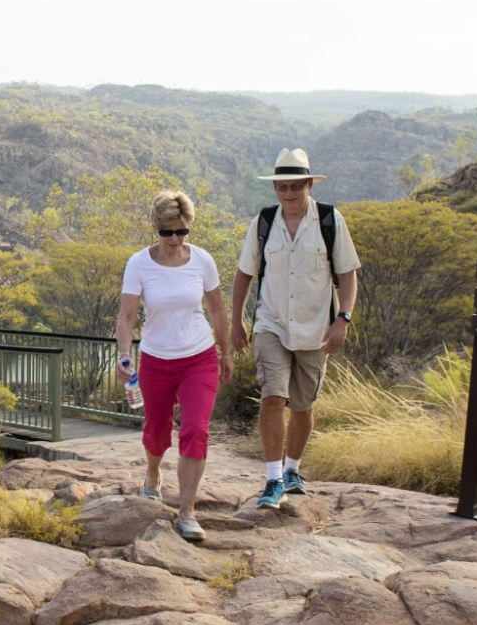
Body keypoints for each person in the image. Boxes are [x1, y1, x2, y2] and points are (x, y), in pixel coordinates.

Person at [230, 148, 360, 509]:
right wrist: (236, 321)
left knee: (303, 405)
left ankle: (292, 470)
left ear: (307, 185)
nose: (287, 195)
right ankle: (272, 479)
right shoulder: (264, 222)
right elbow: (244, 273)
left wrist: (343, 318)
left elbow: (348, 275)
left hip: (316, 328)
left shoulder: (331, 221)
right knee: (273, 397)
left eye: (294, 187)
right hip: (271, 323)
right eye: (281, 187)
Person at [115, 189, 230, 542]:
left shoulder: (202, 260)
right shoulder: (139, 264)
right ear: (156, 229)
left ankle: (187, 511)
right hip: (156, 359)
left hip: (199, 357)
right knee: (157, 429)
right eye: (167, 232)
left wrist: (226, 353)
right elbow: (128, 315)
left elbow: (216, 310)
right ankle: (153, 475)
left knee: (195, 429)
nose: (175, 239)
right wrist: (124, 354)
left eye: (181, 231)